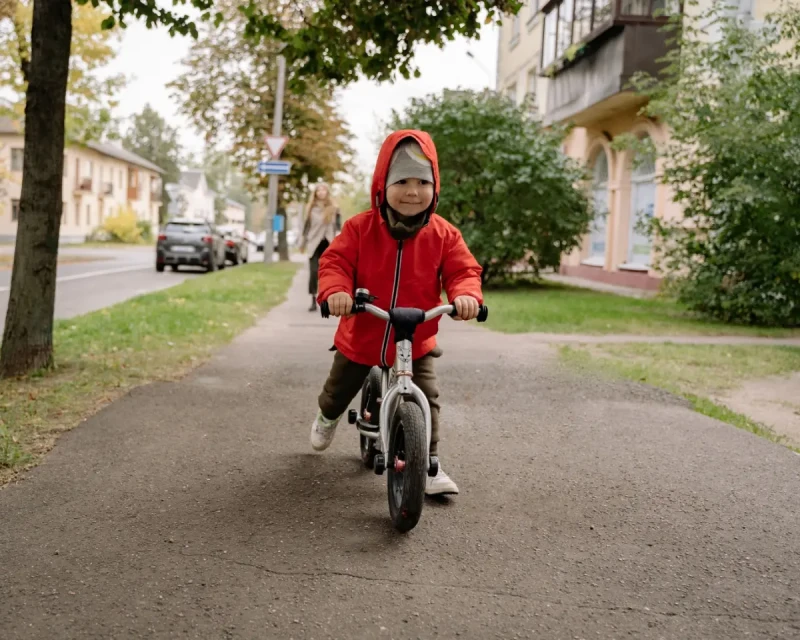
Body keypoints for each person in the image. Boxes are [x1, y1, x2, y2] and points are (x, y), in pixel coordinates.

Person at [309, 130, 483, 496]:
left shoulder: (444, 235)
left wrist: (466, 295)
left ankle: (429, 464)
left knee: (427, 397)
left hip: (415, 337)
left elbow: (463, 271)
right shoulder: (359, 229)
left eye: (422, 182)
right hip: (364, 332)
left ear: (435, 187)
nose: (412, 191)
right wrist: (336, 291)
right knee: (338, 389)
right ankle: (327, 417)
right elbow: (335, 262)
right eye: (401, 181)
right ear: (382, 185)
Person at [300, 183, 340, 312]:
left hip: (328, 243)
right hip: (314, 243)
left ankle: (326, 300)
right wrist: (302, 243)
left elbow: (338, 226)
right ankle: (313, 299)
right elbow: (306, 227)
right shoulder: (311, 209)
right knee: (313, 272)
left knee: (328, 273)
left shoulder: (334, 208)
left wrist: (339, 242)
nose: (321, 192)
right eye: (318, 190)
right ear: (315, 193)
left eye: (323, 190)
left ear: (327, 192)